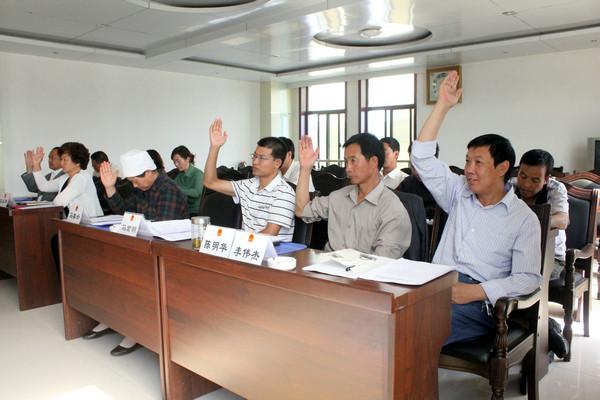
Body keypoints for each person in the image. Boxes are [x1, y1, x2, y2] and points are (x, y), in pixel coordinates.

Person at [411, 71, 543, 345]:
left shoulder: (523, 219)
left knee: (412, 328)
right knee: (384, 314)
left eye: (478, 162)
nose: (469, 170)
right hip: (434, 286)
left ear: (502, 168)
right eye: (467, 161)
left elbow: (528, 278)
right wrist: (442, 106)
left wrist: (477, 291)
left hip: (477, 304)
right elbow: (421, 158)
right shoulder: (458, 192)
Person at [89, 149, 187, 356]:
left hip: (167, 254)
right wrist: (109, 188)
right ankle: (113, 318)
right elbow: (123, 211)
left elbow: (161, 230)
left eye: (136, 181)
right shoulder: (142, 188)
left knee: (130, 274)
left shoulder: (169, 189)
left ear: (148, 172)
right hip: (144, 247)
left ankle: (134, 330)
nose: (134, 186)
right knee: (107, 266)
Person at [295, 133, 411, 258]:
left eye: (353, 161)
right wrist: (305, 169)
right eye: (346, 162)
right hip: (328, 265)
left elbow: (382, 261)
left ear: (373, 161)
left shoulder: (392, 209)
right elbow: (302, 210)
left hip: (366, 269)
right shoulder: (339, 196)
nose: (347, 168)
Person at [512, 149, 570, 359]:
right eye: (523, 176)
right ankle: (548, 325)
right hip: (515, 255)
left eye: (535, 180)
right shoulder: (510, 187)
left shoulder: (556, 189)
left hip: (550, 258)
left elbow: (562, 220)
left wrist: (530, 221)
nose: (526, 184)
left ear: (547, 179)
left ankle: (539, 340)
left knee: (520, 282)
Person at [203, 118, 295, 241]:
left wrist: (235, 241)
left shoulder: (284, 193)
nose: (255, 162)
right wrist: (214, 148)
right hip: (246, 247)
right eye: (254, 156)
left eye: (262, 158)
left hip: (273, 251)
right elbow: (210, 182)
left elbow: (270, 234)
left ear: (277, 163)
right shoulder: (248, 185)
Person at [31, 144, 103, 217]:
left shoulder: (81, 178)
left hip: (91, 221)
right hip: (76, 220)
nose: (61, 163)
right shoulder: (65, 177)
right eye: (61, 159)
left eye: (65, 160)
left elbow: (59, 202)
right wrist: (36, 165)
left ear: (77, 162)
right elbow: (43, 186)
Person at [399, 142, 439, 219]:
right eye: (413, 166)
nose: (416, 172)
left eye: (420, 166)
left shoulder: (445, 184)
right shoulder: (407, 182)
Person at [171, 145, 204, 217]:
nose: (176, 164)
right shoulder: (179, 175)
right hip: (182, 210)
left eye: (178, 161)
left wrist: (179, 190)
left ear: (187, 159)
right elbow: (173, 188)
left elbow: (196, 192)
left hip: (196, 212)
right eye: (174, 162)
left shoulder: (198, 174)